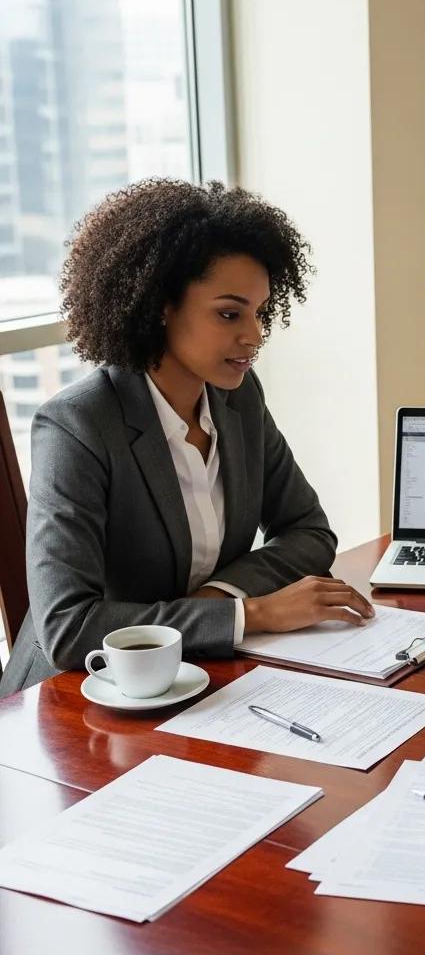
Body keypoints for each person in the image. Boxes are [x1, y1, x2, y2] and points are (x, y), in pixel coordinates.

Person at [1, 179, 374, 696]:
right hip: (77, 702)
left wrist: (222, 595)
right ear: (160, 305)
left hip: (200, 682)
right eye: (229, 313)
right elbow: (69, 627)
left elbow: (308, 531)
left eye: (260, 312)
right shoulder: (79, 426)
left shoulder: (238, 400)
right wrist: (249, 614)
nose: (255, 334)